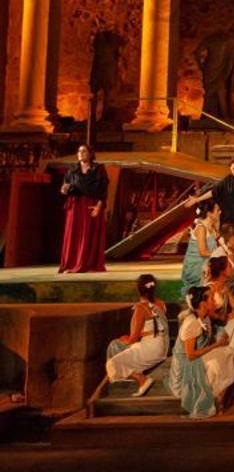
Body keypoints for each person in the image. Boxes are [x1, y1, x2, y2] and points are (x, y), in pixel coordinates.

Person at [168, 286, 234, 419]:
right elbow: (190, 355)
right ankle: (209, 400)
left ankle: (218, 397)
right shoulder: (191, 323)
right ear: (202, 303)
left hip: (198, 357)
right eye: (211, 298)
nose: (214, 300)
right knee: (216, 363)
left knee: (227, 352)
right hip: (187, 366)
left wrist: (221, 339)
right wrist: (216, 345)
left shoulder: (204, 318)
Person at [105, 274, 169, 397]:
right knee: (123, 351)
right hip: (161, 346)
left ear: (139, 290)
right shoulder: (161, 304)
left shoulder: (140, 309)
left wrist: (124, 339)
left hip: (150, 348)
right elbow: (156, 327)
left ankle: (141, 379)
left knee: (112, 358)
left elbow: (133, 339)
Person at [58, 144, 109, 273]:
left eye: (84, 151)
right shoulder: (72, 170)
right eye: (79, 151)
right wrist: (64, 190)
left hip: (91, 204)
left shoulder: (98, 169)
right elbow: (64, 188)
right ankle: (72, 264)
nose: (80, 153)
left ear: (90, 153)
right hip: (75, 205)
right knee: (74, 235)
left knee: (89, 234)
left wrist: (98, 207)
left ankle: (89, 264)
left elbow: (103, 190)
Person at [181, 201, 221, 292]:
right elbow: (202, 252)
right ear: (209, 213)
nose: (220, 212)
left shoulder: (212, 227)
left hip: (207, 262)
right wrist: (219, 254)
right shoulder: (201, 228)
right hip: (196, 267)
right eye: (217, 210)